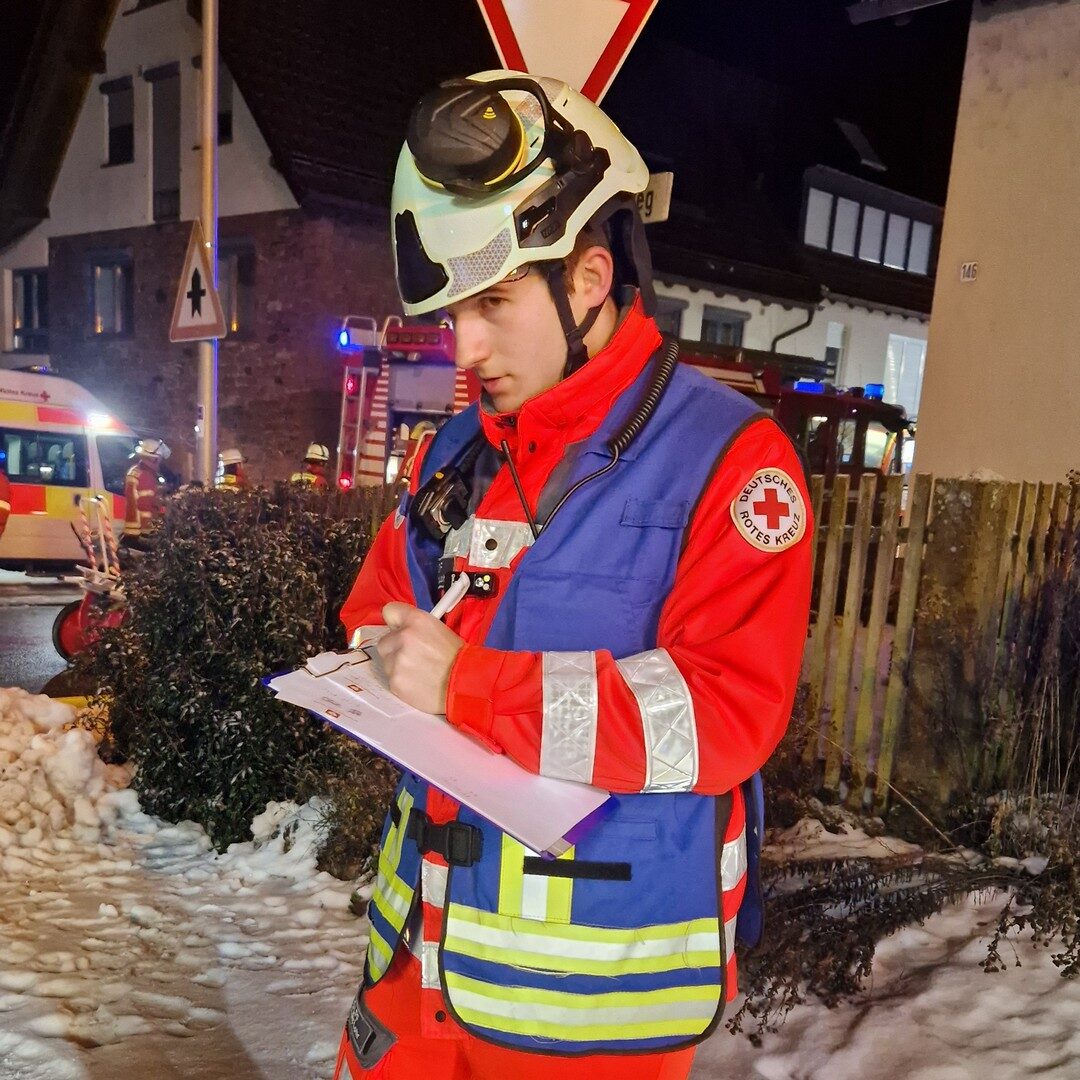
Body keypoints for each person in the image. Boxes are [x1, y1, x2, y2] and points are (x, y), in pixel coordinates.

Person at [333, 70, 813, 1080]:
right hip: (415, 968)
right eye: (453, 309)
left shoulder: (732, 463)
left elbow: (724, 712)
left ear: (589, 279)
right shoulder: (456, 450)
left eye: (493, 302)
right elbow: (375, 607)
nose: (464, 347)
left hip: (589, 1015)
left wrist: (467, 686)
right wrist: (377, 655)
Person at [122, 438, 169, 544]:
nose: (159, 463)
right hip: (142, 530)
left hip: (134, 530)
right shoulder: (145, 475)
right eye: (158, 459)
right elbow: (146, 503)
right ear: (153, 459)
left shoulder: (137, 471)